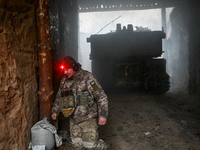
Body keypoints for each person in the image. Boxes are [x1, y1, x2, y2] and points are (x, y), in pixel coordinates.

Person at [51, 56, 109, 150]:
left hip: (88, 118)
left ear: (74, 67)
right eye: (64, 70)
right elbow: (59, 96)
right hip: (73, 120)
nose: (65, 72)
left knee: (90, 146)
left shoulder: (88, 78)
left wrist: (102, 114)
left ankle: (103, 146)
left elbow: (101, 96)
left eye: (67, 70)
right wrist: (55, 110)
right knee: (78, 146)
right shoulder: (64, 81)